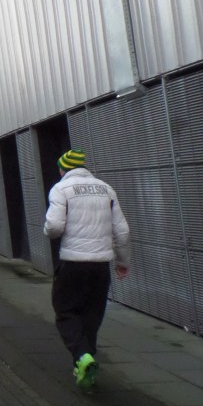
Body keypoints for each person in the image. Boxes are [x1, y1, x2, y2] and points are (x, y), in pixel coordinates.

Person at [44, 149, 130, 389]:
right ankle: (85, 363)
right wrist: (122, 263)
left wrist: (48, 231)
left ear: (63, 168)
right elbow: (122, 231)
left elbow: (53, 226)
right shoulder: (106, 189)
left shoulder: (61, 189)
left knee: (65, 311)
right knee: (92, 315)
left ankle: (82, 357)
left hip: (72, 263)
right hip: (100, 266)